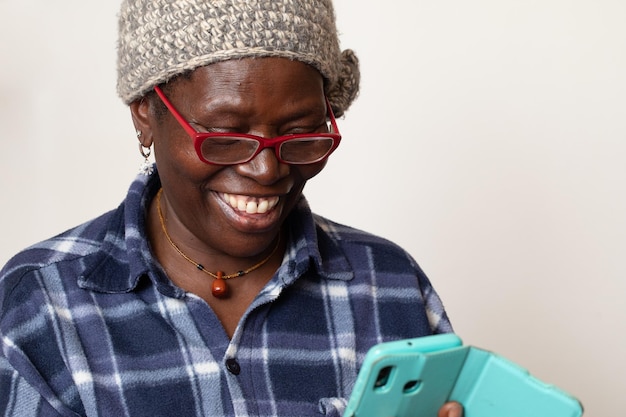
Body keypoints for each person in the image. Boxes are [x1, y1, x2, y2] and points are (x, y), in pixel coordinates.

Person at [0, 0, 463, 416]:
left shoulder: (389, 285)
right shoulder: (43, 304)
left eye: (300, 134)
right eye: (225, 136)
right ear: (145, 113)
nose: (266, 170)